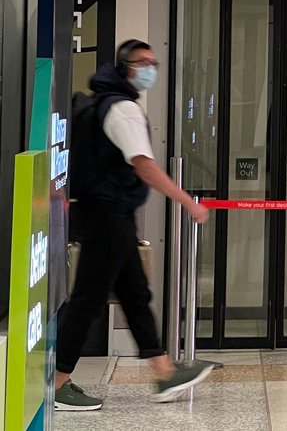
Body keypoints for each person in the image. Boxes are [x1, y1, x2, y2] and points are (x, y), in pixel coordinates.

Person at [55, 40, 213, 411]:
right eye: (143, 62)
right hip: (108, 215)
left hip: (109, 214)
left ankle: (164, 373)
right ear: (126, 66)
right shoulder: (122, 108)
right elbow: (142, 163)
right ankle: (56, 382)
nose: (150, 69)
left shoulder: (101, 103)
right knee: (88, 299)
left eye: (153, 62)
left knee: (134, 293)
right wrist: (187, 200)